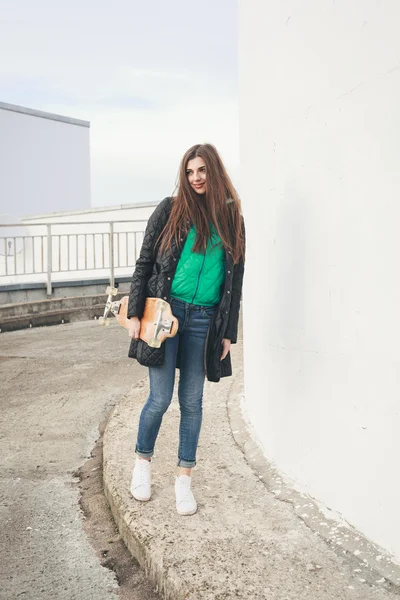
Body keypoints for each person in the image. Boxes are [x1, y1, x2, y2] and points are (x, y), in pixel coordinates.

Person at [127, 143, 245, 516]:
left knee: (192, 403)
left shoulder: (232, 218)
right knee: (159, 399)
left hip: (204, 321)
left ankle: (183, 479)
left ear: (214, 172)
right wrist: (134, 313)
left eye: (202, 171)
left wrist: (228, 332)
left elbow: (235, 280)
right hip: (165, 313)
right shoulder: (170, 209)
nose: (195, 177)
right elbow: (145, 260)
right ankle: (142, 464)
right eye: (190, 171)